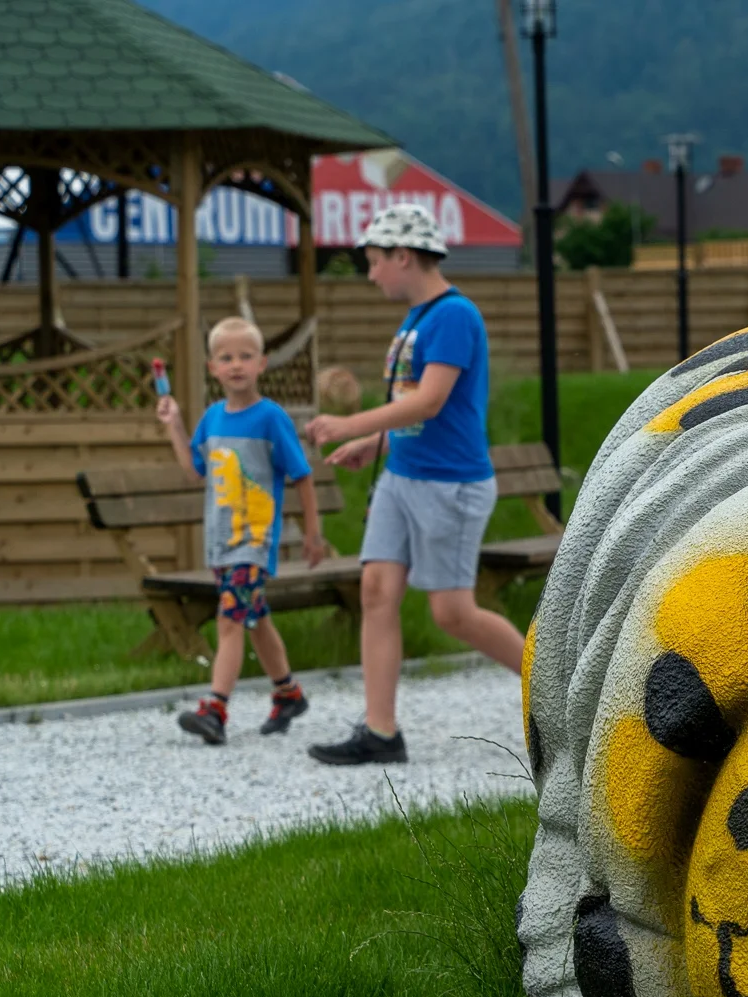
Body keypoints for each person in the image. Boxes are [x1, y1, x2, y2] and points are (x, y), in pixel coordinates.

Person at [303, 204, 525, 765]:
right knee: (376, 592)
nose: (370, 272)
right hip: (403, 480)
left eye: (375, 261)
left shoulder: (454, 316)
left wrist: (350, 423)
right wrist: (373, 444)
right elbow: (415, 415)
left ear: (403, 256)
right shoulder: (416, 320)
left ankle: (559, 692)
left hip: (448, 486)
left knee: (452, 614)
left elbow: (429, 400)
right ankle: (380, 732)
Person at [155, 316, 326, 744]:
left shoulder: (271, 418)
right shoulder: (212, 419)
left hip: (253, 543)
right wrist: (173, 424)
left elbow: (301, 474)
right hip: (220, 543)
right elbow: (194, 470)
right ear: (212, 367)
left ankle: (215, 709)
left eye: (245, 356)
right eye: (226, 357)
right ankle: (288, 692)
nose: (236, 365)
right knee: (255, 619)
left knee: (230, 621)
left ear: (262, 363)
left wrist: (312, 532)